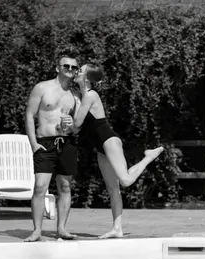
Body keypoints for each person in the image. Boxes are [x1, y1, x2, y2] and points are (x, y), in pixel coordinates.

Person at [67, 63, 164, 239]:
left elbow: (77, 125)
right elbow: (76, 129)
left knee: (125, 180)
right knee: (113, 188)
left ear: (87, 78)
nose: (76, 72)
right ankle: (117, 228)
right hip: (100, 146)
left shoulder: (90, 95)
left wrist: (68, 122)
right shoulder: (81, 96)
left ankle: (148, 157)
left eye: (80, 70)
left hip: (109, 141)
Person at [25, 55, 81, 242]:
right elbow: (29, 115)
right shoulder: (42, 88)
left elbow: (77, 128)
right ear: (57, 68)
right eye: (66, 65)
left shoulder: (75, 95)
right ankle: (37, 230)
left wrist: (72, 124)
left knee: (65, 186)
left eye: (74, 67)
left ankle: (62, 229)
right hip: (45, 143)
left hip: (67, 143)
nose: (70, 69)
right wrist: (33, 143)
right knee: (40, 186)